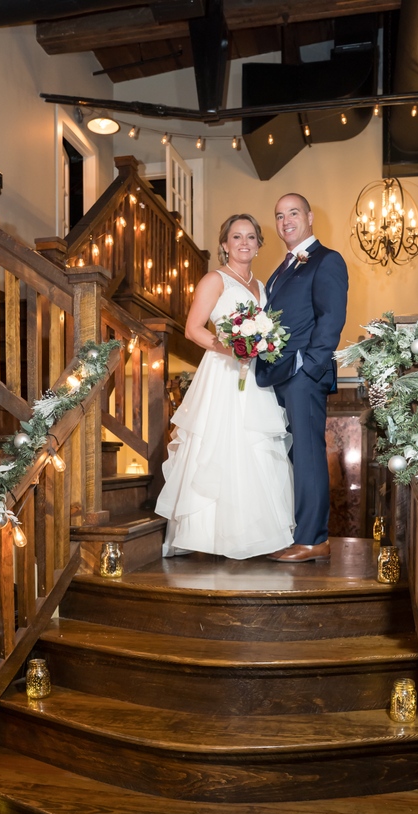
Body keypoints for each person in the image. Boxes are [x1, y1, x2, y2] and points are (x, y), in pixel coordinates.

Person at [155, 214, 294, 559]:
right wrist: (229, 347)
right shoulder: (214, 280)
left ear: (259, 245)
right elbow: (192, 328)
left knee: (254, 447)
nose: (244, 243)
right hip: (222, 373)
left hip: (254, 378)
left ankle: (255, 536)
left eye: (250, 237)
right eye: (236, 237)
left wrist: (260, 346)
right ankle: (207, 537)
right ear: (224, 244)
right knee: (219, 446)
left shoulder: (262, 287)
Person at [256, 193, 348, 563]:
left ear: (310, 217)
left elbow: (330, 320)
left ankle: (313, 539)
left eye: (293, 213)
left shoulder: (327, 260)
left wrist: (307, 367)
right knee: (291, 455)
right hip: (278, 375)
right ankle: (294, 533)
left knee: (308, 455)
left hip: (303, 376)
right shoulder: (281, 269)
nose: (286, 221)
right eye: (279, 215)